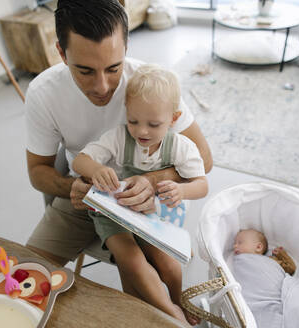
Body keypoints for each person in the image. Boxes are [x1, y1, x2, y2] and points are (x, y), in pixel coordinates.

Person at [24, 0, 211, 325]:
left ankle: (177, 315)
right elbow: (37, 173)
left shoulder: (152, 85)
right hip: (84, 197)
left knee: (142, 304)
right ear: (61, 52)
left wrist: (150, 182)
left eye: (114, 68)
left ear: (126, 46)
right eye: (85, 70)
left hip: (148, 202)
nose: (103, 87)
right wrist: (76, 186)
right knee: (22, 277)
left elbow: (203, 160)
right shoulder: (43, 93)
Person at [72, 64, 208, 324]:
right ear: (127, 112)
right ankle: (172, 313)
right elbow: (80, 161)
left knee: (168, 265)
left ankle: (178, 300)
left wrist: (182, 189)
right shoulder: (120, 138)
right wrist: (96, 168)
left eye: (153, 124)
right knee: (131, 261)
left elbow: (202, 185)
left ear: (174, 119)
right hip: (112, 212)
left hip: (148, 215)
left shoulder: (180, 146)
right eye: (133, 121)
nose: (142, 131)